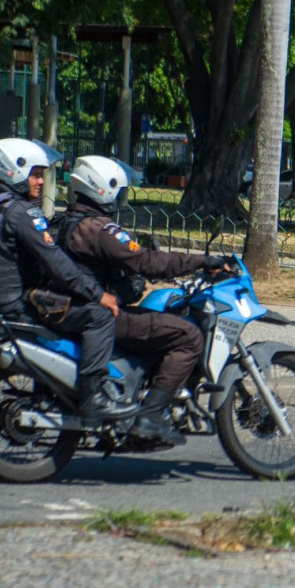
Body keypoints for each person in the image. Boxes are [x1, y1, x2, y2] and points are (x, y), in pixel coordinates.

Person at [0, 138, 136, 424]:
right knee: (99, 316)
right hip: (18, 304)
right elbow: (59, 266)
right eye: (36, 174)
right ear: (15, 171)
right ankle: (94, 398)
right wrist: (99, 295)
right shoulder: (20, 213)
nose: (40, 182)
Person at [52, 155, 230, 446]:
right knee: (188, 336)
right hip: (98, 312)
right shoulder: (100, 229)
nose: (123, 197)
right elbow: (149, 262)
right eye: (120, 190)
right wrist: (201, 261)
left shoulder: (63, 221)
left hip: (70, 308)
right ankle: (149, 417)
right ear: (103, 189)